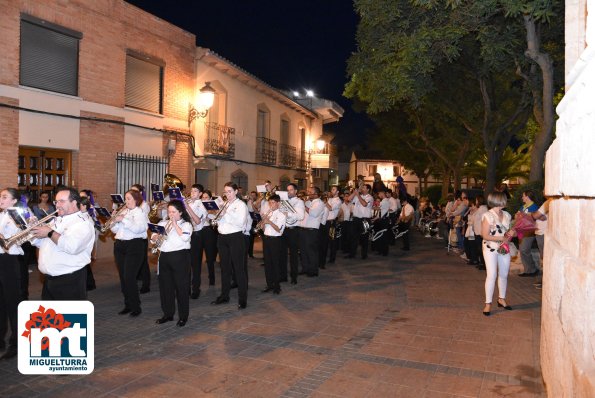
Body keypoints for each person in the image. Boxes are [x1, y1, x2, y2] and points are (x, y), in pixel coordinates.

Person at [30, 187, 95, 302]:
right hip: (49, 280)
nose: (57, 205)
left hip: (69, 280)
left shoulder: (83, 223)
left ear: (74, 202)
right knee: (50, 318)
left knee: (69, 318)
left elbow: (72, 247)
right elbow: (42, 243)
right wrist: (34, 231)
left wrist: (49, 232)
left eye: (62, 201)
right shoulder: (56, 220)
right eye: (56, 201)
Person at [152, 201, 192, 327]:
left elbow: (184, 237)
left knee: (181, 288)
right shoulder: (163, 223)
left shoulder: (186, 225)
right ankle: (168, 314)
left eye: (174, 212)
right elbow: (153, 236)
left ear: (180, 212)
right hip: (164, 256)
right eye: (169, 212)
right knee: (166, 288)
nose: (171, 214)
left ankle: (183, 316)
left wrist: (174, 224)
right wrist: (154, 237)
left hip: (180, 257)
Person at [211, 183, 249, 309]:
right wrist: (218, 216)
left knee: (239, 269)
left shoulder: (241, 205)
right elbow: (222, 221)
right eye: (225, 192)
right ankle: (224, 295)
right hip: (222, 237)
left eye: (229, 191)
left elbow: (240, 222)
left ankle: (242, 299)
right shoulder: (226, 204)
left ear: (236, 191)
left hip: (235, 237)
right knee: (224, 268)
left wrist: (226, 212)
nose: (227, 194)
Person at [110, 190, 149, 317]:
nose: (126, 201)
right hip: (120, 245)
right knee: (123, 277)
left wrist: (124, 220)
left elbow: (140, 229)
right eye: (126, 199)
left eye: (129, 198)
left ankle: (136, 306)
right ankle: (128, 304)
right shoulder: (125, 212)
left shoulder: (140, 212)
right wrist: (114, 220)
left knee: (129, 277)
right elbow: (115, 230)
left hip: (134, 245)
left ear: (136, 199)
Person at [481, 192, 515, 316]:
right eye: (504, 199)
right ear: (498, 200)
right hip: (490, 247)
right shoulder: (487, 215)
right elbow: (484, 235)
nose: (506, 200)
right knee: (491, 275)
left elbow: (511, 233)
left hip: (504, 247)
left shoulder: (507, 215)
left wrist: (512, 234)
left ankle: (501, 299)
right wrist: (502, 238)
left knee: (504, 274)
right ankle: (488, 303)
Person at [0, 188, 25, 359]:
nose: (0, 199)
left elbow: (22, 236)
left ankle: (16, 343)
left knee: (13, 304)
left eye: (4, 197)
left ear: (14, 201)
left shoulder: (17, 216)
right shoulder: (1, 214)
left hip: (9, 261)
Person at [280, 183, 305, 284]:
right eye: (287, 190)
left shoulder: (299, 202)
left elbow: (301, 216)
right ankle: (283, 276)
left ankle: (294, 277)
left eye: (291, 190)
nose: (289, 191)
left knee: (293, 255)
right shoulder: (284, 202)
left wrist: (288, 214)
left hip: (294, 230)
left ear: (295, 191)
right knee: (282, 254)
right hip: (284, 230)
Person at [261, 194, 286, 294]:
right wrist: (263, 222)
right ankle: (269, 284)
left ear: (278, 203)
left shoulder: (281, 215)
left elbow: (279, 229)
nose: (271, 205)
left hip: (275, 240)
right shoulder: (269, 213)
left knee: (275, 263)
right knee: (267, 263)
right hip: (266, 239)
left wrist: (269, 222)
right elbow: (263, 230)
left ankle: (277, 286)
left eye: (273, 203)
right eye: (269, 203)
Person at [186, 184, 207, 299]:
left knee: (195, 264)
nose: (192, 193)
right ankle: (186, 288)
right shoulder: (188, 202)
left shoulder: (201, 205)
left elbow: (198, 221)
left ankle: (196, 289)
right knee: (186, 264)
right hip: (186, 235)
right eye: (192, 190)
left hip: (196, 236)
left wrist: (187, 207)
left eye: (195, 191)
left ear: (200, 194)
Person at [130, 184, 151, 294]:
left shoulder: (144, 205)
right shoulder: (129, 205)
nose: (132, 192)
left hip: (141, 236)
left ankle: (146, 284)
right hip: (132, 237)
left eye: (135, 191)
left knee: (143, 261)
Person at [300, 187, 324, 277]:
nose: (308, 193)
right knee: (303, 251)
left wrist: (303, 205)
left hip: (312, 230)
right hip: (303, 229)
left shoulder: (320, 203)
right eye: (308, 191)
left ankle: (313, 270)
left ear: (316, 194)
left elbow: (313, 214)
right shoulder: (308, 202)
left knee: (311, 251)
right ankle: (305, 268)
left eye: (310, 192)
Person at [347, 183, 373, 259]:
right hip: (356, 219)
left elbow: (364, 204)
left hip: (365, 220)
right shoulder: (359, 196)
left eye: (364, 188)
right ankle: (352, 254)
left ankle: (364, 255)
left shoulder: (370, 198)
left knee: (364, 237)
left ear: (368, 189)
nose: (362, 189)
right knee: (353, 237)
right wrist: (354, 193)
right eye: (362, 188)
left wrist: (358, 195)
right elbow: (348, 199)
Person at [517, 190, 540, 277]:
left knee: (524, 249)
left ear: (527, 196)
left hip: (529, 231)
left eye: (523, 196)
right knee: (522, 251)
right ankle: (528, 270)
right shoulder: (524, 206)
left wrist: (522, 216)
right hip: (521, 230)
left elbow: (533, 218)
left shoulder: (534, 207)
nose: (522, 197)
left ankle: (532, 269)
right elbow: (517, 215)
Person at [200, 190, 218, 286]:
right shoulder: (198, 205)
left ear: (210, 198)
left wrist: (209, 213)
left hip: (209, 231)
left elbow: (215, 221)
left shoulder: (213, 206)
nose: (204, 199)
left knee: (210, 257)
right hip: (199, 231)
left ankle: (212, 277)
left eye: (206, 197)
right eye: (203, 197)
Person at [325, 186, 342, 263]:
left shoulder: (338, 201)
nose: (331, 190)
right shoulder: (330, 199)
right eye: (331, 189)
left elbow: (331, 208)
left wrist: (325, 201)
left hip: (332, 223)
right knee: (325, 240)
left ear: (338, 192)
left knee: (332, 241)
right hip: (326, 222)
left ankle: (332, 258)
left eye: (333, 189)